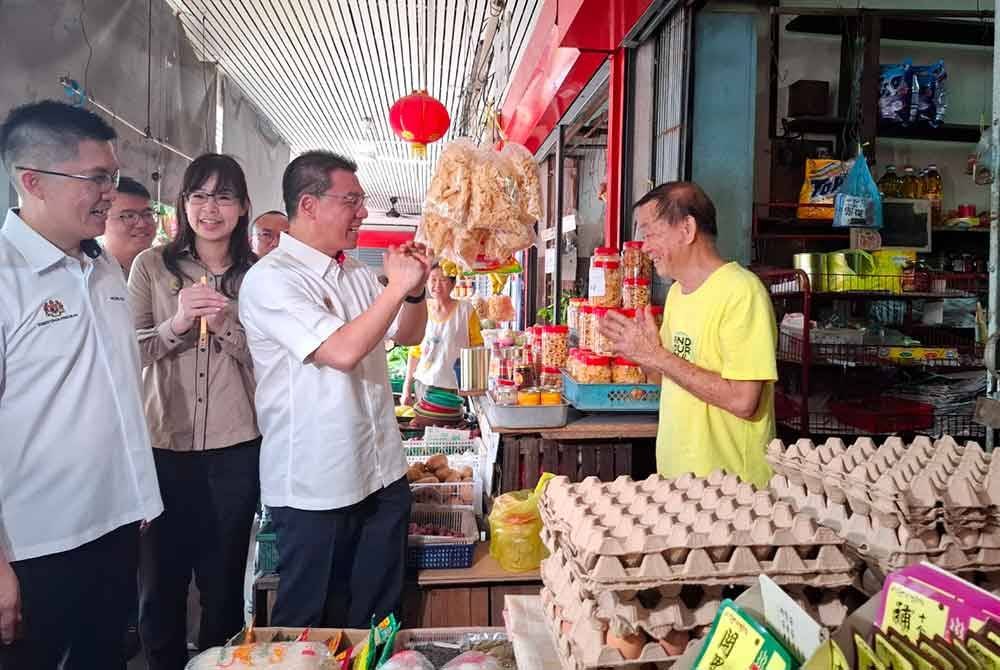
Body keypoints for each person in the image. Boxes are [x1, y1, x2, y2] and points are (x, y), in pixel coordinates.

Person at [0, 100, 163, 669]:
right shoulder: (6, 278)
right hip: (32, 546)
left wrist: (139, 494)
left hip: (115, 527)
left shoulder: (103, 269)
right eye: (96, 178)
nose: (110, 194)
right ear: (32, 181)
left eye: (112, 178)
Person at [239, 150, 431, 629]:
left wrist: (415, 290)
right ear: (308, 205)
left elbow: (407, 335)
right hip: (316, 487)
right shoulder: (271, 280)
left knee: (378, 616)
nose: (362, 212)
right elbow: (342, 352)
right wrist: (394, 288)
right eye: (352, 201)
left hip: (381, 471)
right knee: (312, 623)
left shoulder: (355, 275)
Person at [129, 153, 260, 669]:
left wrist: (225, 321)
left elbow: (272, 362)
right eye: (199, 196)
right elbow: (131, 351)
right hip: (163, 445)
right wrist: (177, 323)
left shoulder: (259, 277)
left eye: (224, 196)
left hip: (235, 447)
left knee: (225, 579)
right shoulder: (152, 266)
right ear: (184, 204)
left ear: (243, 207)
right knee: (159, 581)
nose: (211, 209)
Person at [599, 182, 777, 487]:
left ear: (687, 229)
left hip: (733, 493)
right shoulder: (679, 294)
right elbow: (666, 378)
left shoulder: (741, 292)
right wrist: (641, 355)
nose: (644, 247)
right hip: (680, 482)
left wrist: (656, 355)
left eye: (651, 233)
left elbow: (743, 400)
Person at [400, 265, 483, 406]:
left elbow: (477, 347)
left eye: (443, 280)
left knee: (452, 426)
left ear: (453, 284)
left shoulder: (466, 310)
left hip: (454, 387)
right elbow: (415, 352)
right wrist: (406, 388)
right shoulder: (421, 309)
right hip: (424, 385)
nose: (437, 285)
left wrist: (477, 386)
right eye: (433, 280)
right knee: (427, 425)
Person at [103, 175, 157, 276]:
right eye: (129, 216)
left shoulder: (169, 269)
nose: (142, 224)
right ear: (102, 219)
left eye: (147, 214)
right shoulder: (91, 273)